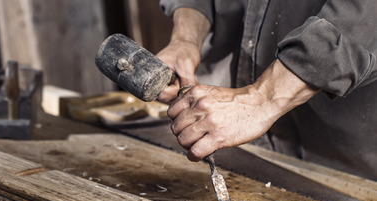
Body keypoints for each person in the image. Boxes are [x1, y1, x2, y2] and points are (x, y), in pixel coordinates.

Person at [157, 1, 377, 181]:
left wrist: (261, 100)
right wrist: (185, 38)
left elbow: (362, 17)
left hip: (344, 167)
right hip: (235, 141)